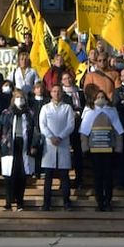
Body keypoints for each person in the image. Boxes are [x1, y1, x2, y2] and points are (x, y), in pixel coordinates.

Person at [79, 90, 124, 211]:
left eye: (102, 97)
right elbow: (83, 133)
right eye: (98, 97)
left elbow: (118, 132)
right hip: (94, 150)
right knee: (97, 177)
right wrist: (85, 148)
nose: (100, 98)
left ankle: (108, 201)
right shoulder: (89, 112)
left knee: (108, 177)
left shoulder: (112, 111)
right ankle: (99, 202)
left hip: (109, 150)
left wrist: (118, 149)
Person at [0, 88, 37, 211]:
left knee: (22, 177)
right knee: (9, 177)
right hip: (8, 148)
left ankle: (20, 203)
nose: (20, 100)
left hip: (24, 147)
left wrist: (34, 145)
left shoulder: (30, 114)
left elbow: (35, 131)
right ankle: (8, 203)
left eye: (22, 97)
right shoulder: (6, 113)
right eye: (17, 97)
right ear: (13, 100)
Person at [39, 83, 75, 211]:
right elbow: (42, 125)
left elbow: (70, 125)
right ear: (50, 93)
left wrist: (60, 136)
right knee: (48, 177)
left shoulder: (67, 108)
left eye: (59, 91)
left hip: (63, 144)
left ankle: (66, 202)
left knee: (64, 176)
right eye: (54, 91)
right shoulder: (45, 108)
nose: (57, 93)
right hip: (49, 145)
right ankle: (46, 203)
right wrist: (51, 137)